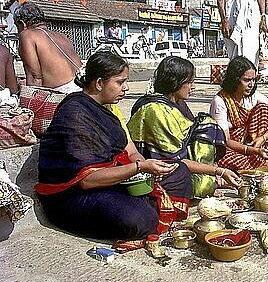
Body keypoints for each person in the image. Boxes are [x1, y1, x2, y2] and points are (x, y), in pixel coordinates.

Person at [35, 52, 191, 240]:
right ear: (99, 83)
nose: (125, 88)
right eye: (120, 82)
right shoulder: (75, 114)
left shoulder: (108, 108)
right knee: (138, 218)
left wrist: (146, 171)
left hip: (112, 178)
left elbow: (131, 151)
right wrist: (139, 168)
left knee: (179, 172)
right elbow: (87, 180)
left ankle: (145, 203)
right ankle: (146, 208)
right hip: (73, 194)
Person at [128, 56, 241, 198]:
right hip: (158, 169)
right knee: (191, 177)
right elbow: (174, 160)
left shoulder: (177, 103)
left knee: (206, 125)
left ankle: (208, 180)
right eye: (189, 82)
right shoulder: (155, 110)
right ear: (175, 82)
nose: (193, 86)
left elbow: (189, 140)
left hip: (179, 162)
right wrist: (219, 171)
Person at [209, 56, 268, 171]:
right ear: (234, 80)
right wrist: (252, 151)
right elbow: (225, 141)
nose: (251, 84)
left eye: (253, 80)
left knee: (264, 109)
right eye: (246, 80)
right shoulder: (220, 101)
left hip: (255, 145)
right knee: (226, 159)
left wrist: (262, 139)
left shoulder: (253, 96)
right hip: (232, 149)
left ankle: (263, 159)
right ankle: (259, 161)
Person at [13, 1, 82, 93]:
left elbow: (35, 77)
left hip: (66, 94)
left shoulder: (27, 35)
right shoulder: (61, 36)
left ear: (22, 24)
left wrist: (29, 102)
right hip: (83, 86)